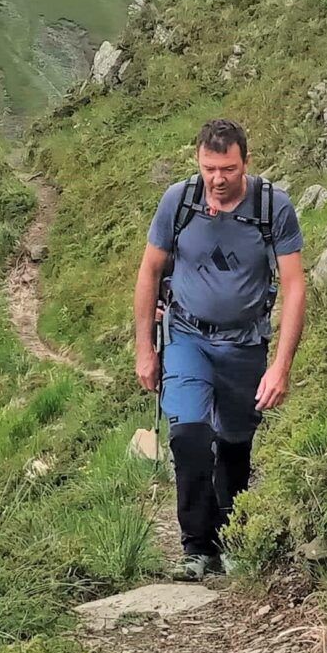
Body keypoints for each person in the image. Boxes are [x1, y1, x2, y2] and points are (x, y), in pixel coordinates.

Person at [135, 117, 306, 578]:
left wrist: (281, 367)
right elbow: (149, 271)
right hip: (187, 336)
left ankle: (231, 536)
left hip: (245, 343)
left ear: (245, 162)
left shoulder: (273, 207)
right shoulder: (179, 201)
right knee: (188, 434)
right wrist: (145, 350)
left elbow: (293, 286)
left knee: (234, 442)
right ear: (199, 161)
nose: (218, 179)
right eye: (210, 167)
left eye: (228, 168)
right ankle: (196, 547)